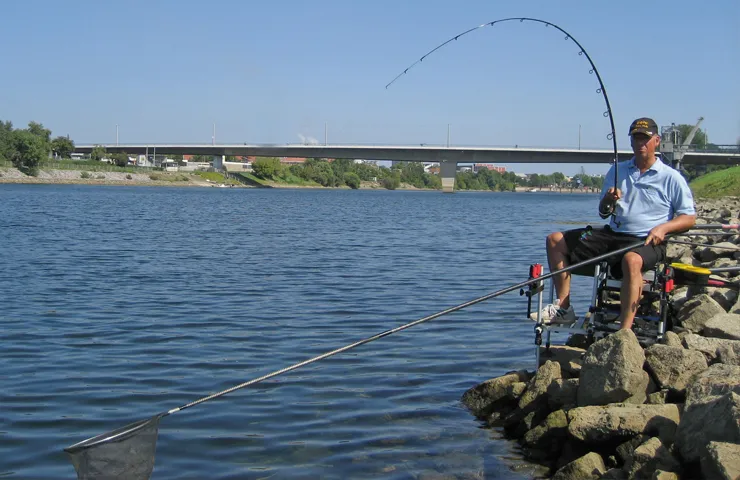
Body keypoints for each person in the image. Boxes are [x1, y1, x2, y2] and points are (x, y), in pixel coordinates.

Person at [532, 117, 696, 330]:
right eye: (636, 138)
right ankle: (564, 308)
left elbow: (688, 218)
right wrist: (608, 201)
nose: (640, 143)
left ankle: (624, 332)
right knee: (555, 241)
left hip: (647, 241)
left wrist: (663, 228)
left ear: (656, 141)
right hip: (612, 234)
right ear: (630, 142)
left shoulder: (671, 177)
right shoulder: (617, 171)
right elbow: (603, 213)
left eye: (645, 139)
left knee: (631, 260)